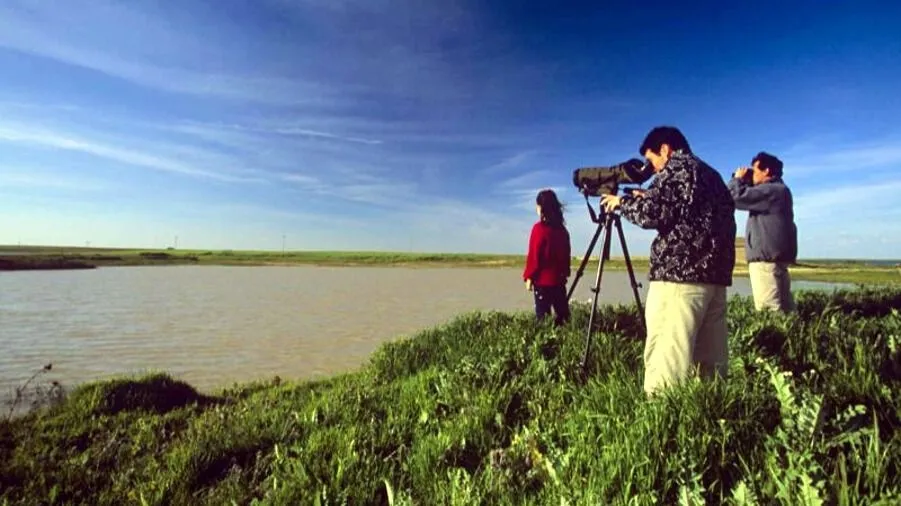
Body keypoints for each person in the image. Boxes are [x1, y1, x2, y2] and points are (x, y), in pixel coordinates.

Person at [600, 126, 736, 395]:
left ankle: (662, 421)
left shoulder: (677, 168)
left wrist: (621, 203)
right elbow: (686, 210)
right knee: (710, 364)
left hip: (679, 279)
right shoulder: (711, 174)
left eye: (652, 161)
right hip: (714, 279)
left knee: (667, 358)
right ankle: (708, 413)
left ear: (665, 149)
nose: (654, 170)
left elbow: (654, 213)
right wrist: (649, 195)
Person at [728, 152, 797, 313]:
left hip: (765, 262)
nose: (753, 174)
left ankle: (776, 338)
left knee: (769, 310)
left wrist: (737, 179)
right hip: (775, 259)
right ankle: (795, 337)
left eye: (755, 170)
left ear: (766, 171)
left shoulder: (772, 191)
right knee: (786, 309)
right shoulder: (780, 190)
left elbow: (734, 197)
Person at [523, 189, 572, 326]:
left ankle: (547, 346)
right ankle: (565, 342)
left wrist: (529, 277)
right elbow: (566, 255)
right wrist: (565, 273)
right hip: (559, 281)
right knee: (563, 317)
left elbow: (534, 256)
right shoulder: (563, 231)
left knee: (542, 319)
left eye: (537, 205)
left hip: (542, 282)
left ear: (541, 208)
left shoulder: (538, 229)